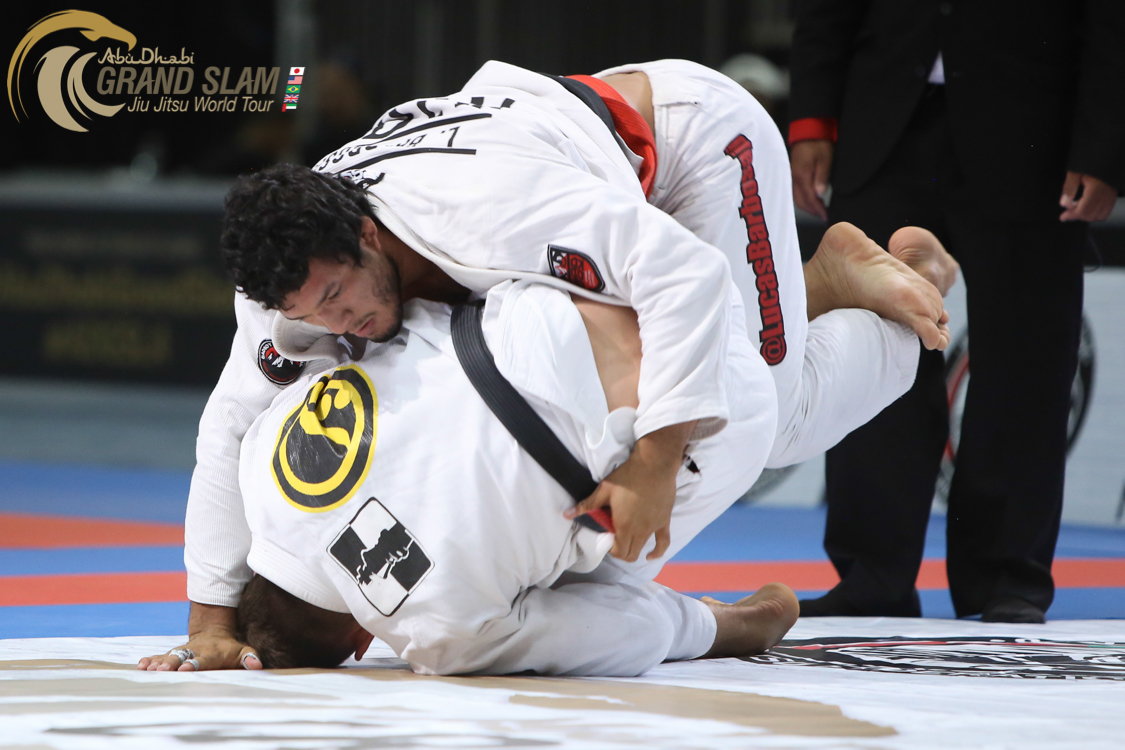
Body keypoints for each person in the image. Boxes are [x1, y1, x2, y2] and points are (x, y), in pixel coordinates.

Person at [140, 59, 952, 671]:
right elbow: (230, 425)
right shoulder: (285, 293)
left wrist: (653, 462)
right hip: (580, 185)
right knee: (688, 367)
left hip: (686, 151)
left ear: (365, 236)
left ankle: (899, 300)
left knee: (772, 415)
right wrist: (209, 624)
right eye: (309, 311)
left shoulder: (481, 211)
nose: (334, 323)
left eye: (338, 294)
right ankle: (804, 285)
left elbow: (682, 274)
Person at [789, 1, 1125, 622]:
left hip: (1036, 127)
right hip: (885, 114)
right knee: (868, 343)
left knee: (1026, 358)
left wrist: (1105, 144)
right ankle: (871, 574)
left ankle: (1007, 576)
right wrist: (812, 114)